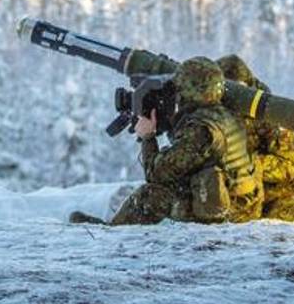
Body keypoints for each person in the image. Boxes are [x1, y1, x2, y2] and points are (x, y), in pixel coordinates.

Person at [70, 57, 262, 226]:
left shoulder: (201, 129)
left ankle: (111, 232)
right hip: (244, 203)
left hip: (231, 213)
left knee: (150, 195)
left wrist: (148, 136)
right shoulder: (226, 114)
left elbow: (156, 175)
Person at [215, 54, 294, 224]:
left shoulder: (272, 114)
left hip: (288, 190)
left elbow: (289, 166)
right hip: (258, 187)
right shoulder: (226, 115)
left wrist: (248, 164)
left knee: (284, 222)